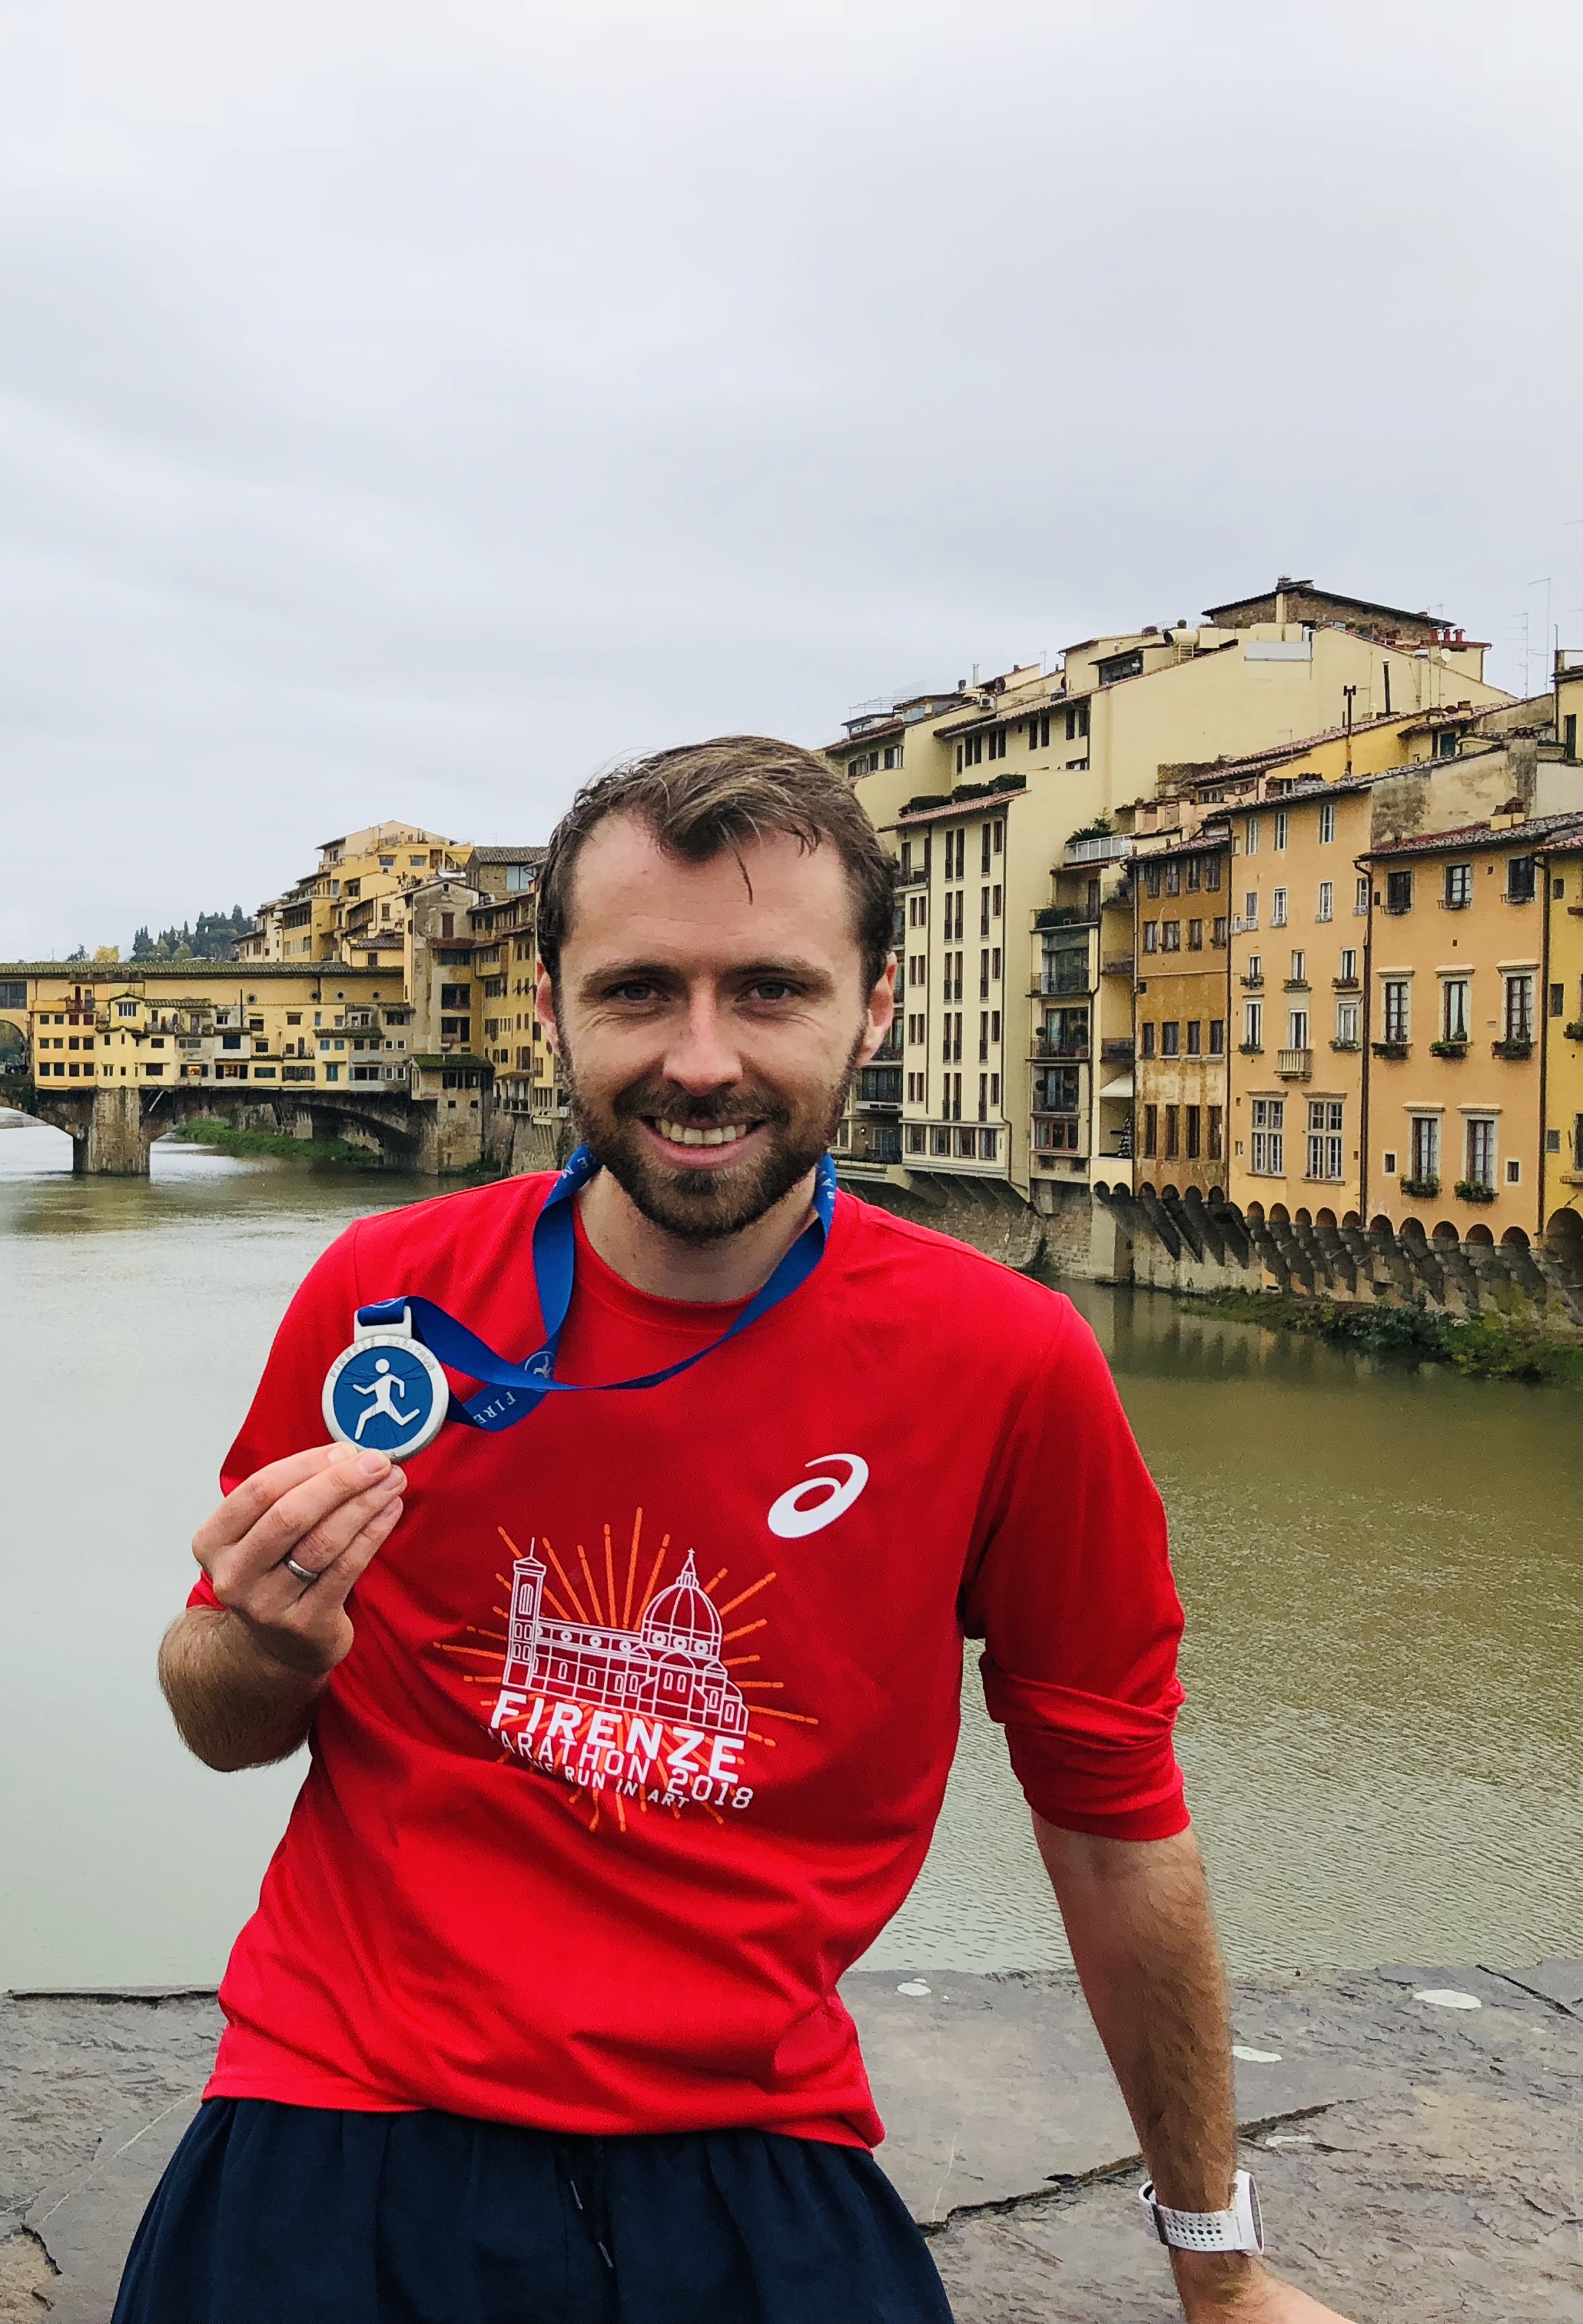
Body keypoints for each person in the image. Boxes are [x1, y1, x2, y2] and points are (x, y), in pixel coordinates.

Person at [121, 739, 1350, 2324]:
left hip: (756, 2142)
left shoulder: (1008, 1363)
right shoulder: (384, 1302)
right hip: (338, 2109)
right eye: (640, 992)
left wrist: (1220, 2269)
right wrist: (266, 1641)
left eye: (770, 990)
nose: (701, 1060)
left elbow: (1113, 1824)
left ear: (876, 1007)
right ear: (552, 1008)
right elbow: (219, 1722)